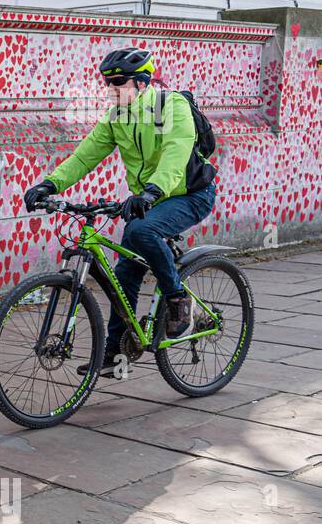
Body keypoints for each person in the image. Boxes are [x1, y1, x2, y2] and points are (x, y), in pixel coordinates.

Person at [23, 47, 217, 377]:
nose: (111, 88)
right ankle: (115, 354)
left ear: (142, 83)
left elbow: (175, 153)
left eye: (119, 81)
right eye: (108, 82)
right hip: (151, 198)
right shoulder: (118, 117)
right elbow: (85, 156)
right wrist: (50, 185)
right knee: (124, 272)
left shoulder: (172, 107)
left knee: (141, 232)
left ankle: (177, 300)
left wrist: (151, 191)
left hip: (190, 194)